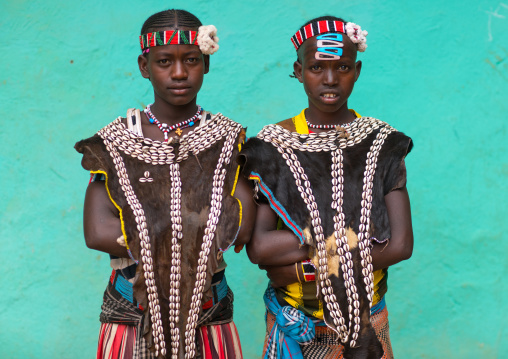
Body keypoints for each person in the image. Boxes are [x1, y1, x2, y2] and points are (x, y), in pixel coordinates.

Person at [75, 9, 254, 359]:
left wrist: (148, 224)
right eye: (164, 61)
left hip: (209, 311)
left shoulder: (230, 140)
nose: (178, 72)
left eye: (190, 60)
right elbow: (97, 231)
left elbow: (240, 228)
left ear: (206, 63)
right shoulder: (115, 141)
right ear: (145, 67)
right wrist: (193, 228)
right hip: (131, 312)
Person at [240, 16, 413, 359]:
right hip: (295, 324)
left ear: (357, 70)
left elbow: (401, 245)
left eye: (343, 67)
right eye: (317, 67)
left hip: (368, 322)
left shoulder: (382, 144)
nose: (330, 79)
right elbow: (259, 248)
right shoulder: (272, 146)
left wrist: (299, 267)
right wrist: (351, 239)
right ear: (299, 70)